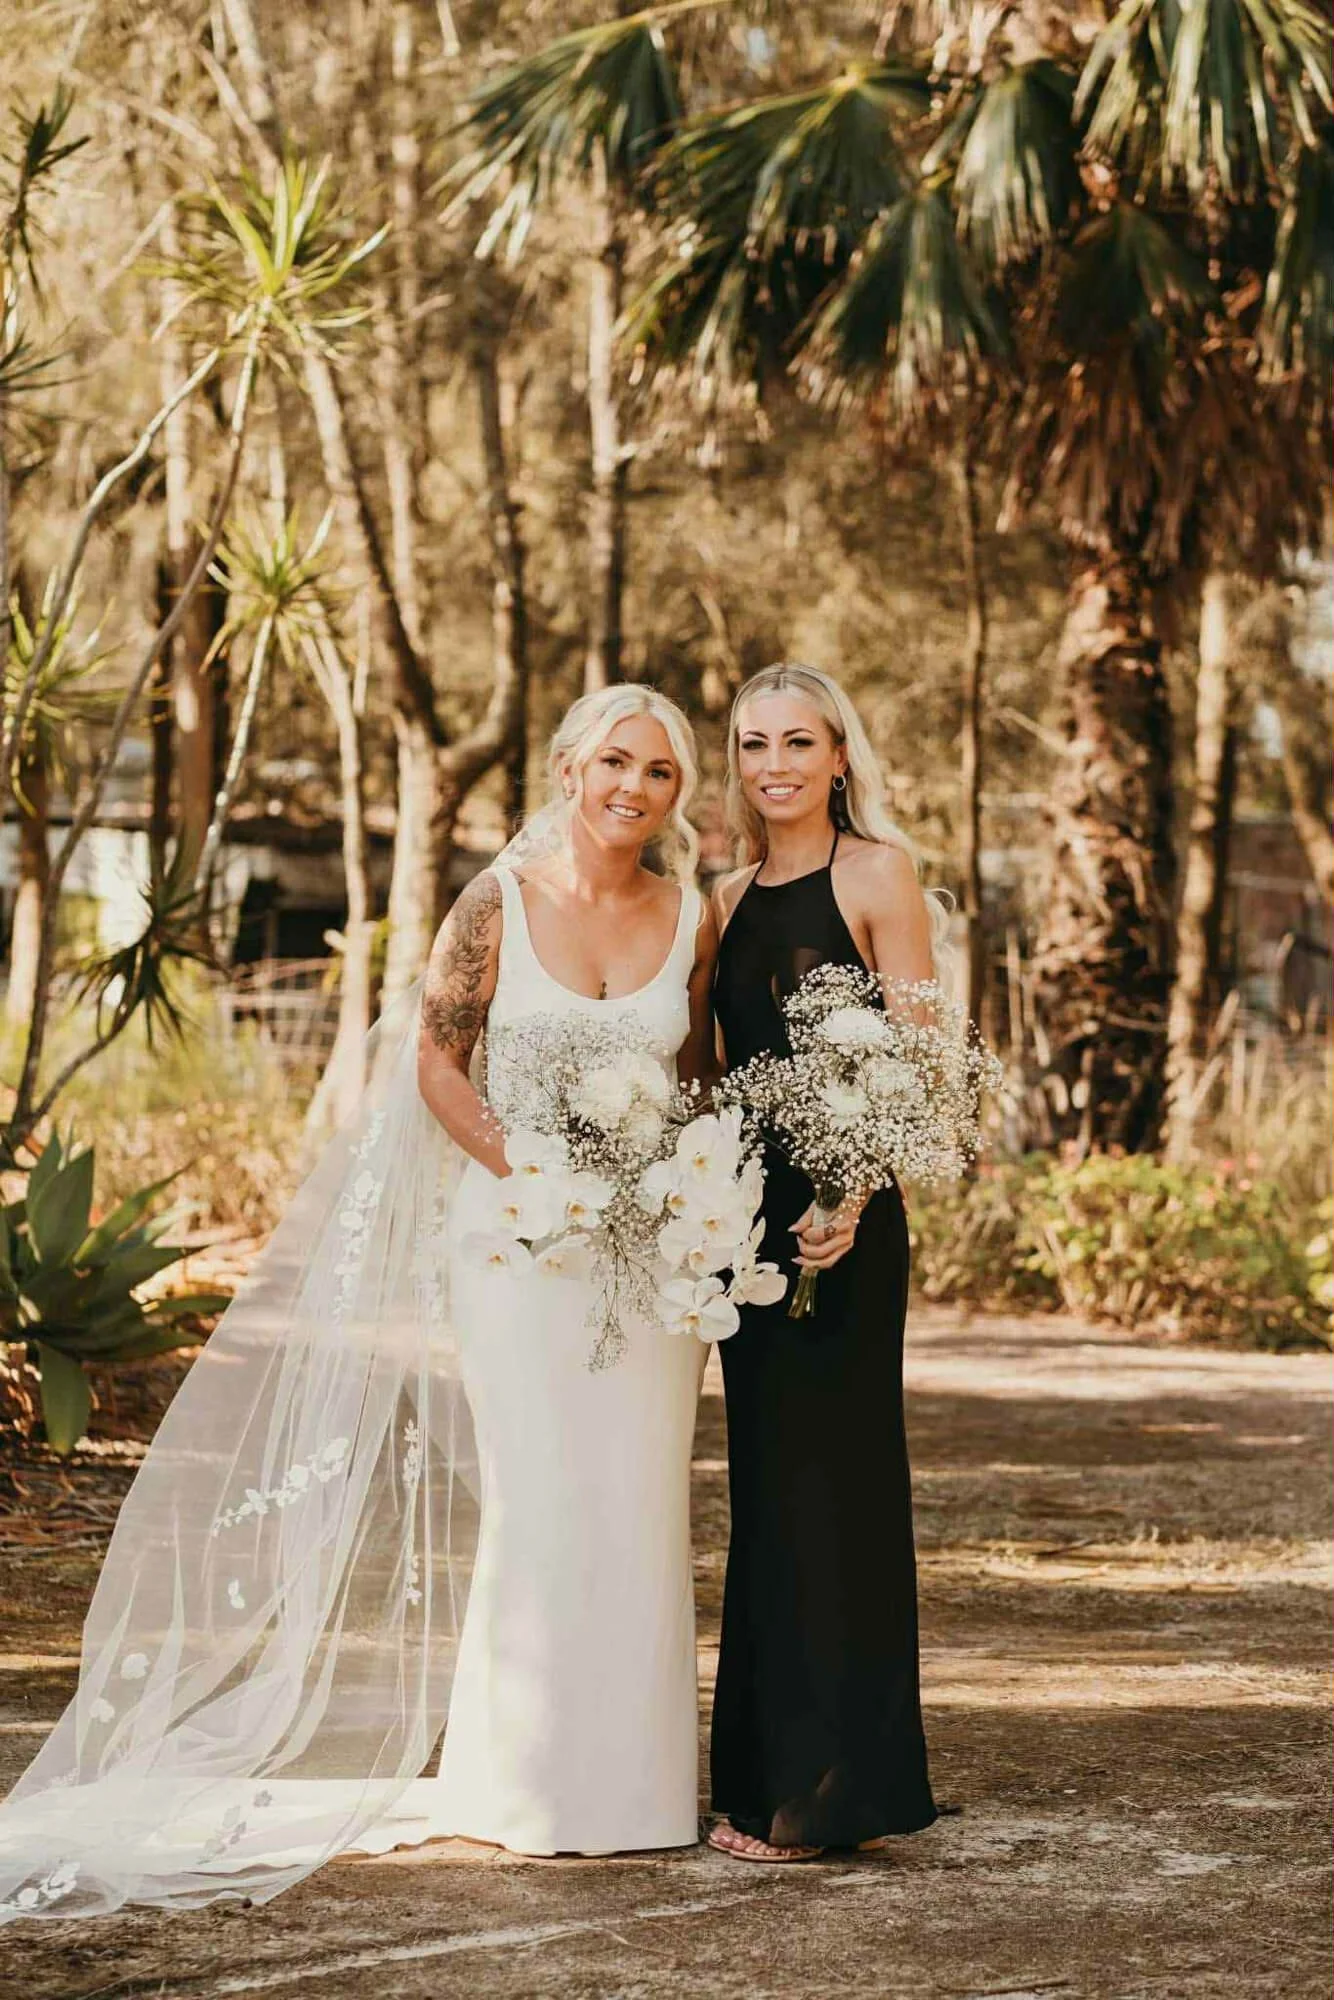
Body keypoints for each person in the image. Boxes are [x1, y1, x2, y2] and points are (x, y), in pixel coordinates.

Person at [0, 684, 717, 1923]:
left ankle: (641, 1789)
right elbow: (436, 1056)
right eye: (614, 761)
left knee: (638, 1497)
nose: (632, 789)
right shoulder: (496, 904)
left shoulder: (692, 913)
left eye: (658, 771)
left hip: (648, 1260)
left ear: (675, 793)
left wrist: (684, 1189)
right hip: (516, 1244)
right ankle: (524, 1783)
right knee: (544, 1494)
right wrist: (522, 1165)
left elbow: (693, 1069)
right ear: (565, 766)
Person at [707, 662, 942, 1862]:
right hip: (743, 1229)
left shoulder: (876, 872)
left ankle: (831, 1793)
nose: (776, 765)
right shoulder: (722, 892)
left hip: (849, 1225)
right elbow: (706, 1072)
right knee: (764, 1489)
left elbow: (918, 1053)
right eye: (754, 744)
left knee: (837, 1489)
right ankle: (758, 1779)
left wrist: (850, 1196)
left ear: (840, 755)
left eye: (799, 742)